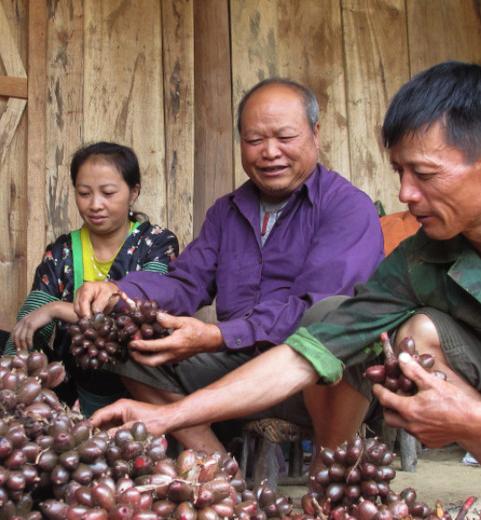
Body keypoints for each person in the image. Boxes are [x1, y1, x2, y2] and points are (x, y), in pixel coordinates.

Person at [89, 62, 481, 519]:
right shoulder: (422, 257)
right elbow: (310, 349)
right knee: (419, 332)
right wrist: (168, 416)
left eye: (425, 174)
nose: (406, 195)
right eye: (400, 172)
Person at [75, 78, 384, 457]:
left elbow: (319, 310)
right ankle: (219, 469)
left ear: (315, 134)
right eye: (254, 140)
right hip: (232, 372)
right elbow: (185, 283)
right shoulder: (227, 211)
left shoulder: (348, 208)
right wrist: (120, 292)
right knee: (122, 342)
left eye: (285, 137)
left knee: (332, 314)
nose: (270, 152)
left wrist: (218, 335)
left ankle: (329, 466)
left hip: (312, 379)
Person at [0, 142, 179, 416]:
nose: (95, 204)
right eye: (84, 193)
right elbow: (31, 325)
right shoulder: (62, 251)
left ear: (134, 192)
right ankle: (11, 423)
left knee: (95, 343)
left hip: (136, 379)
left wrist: (57, 309)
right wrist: (12, 378)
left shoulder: (157, 242)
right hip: (71, 382)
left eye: (108, 193)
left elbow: (143, 316)